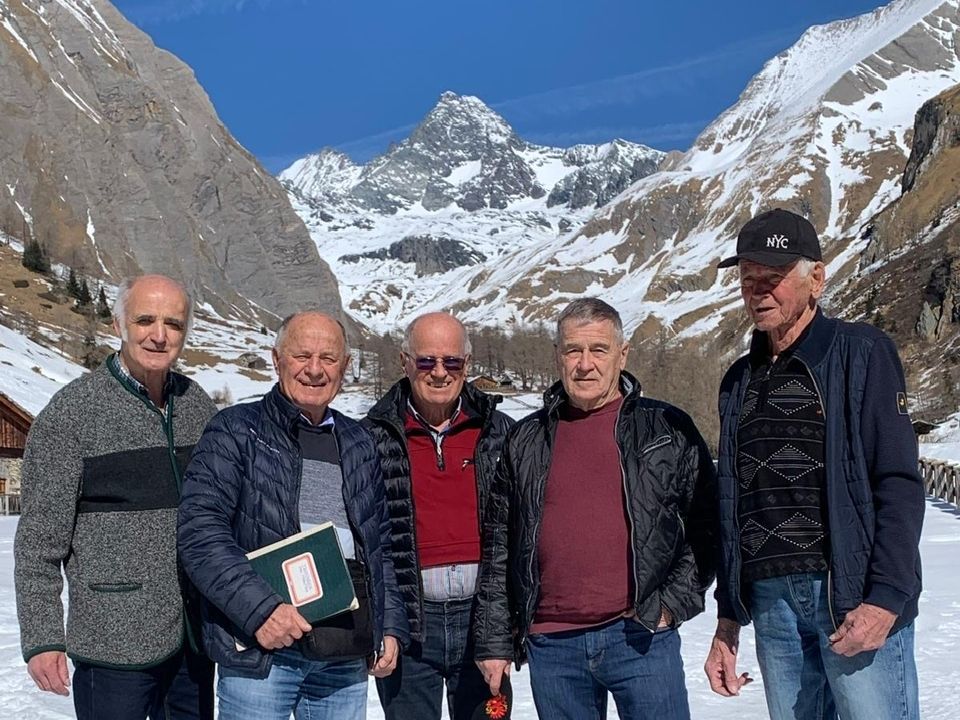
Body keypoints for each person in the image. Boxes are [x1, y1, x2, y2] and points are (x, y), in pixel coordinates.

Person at [704, 208, 924, 720]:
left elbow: (898, 481)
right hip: (771, 604)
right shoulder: (738, 380)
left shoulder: (860, 352)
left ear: (816, 279)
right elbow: (734, 504)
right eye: (748, 278)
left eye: (774, 277)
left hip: (850, 595)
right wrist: (728, 619)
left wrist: (886, 598)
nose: (759, 291)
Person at [473, 298, 717, 720]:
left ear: (623, 354)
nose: (585, 364)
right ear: (558, 355)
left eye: (599, 350)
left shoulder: (666, 429)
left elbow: (707, 526)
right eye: (573, 350)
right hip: (553, 645)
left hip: (640, 637)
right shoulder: (526, 439)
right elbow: (498, 547)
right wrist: (494, 640)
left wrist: (671, 604)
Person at [177, 310, 408, 720]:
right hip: (264, 651)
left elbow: (380, 547)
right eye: (302, 356)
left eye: (329, 358)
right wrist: (260, 611)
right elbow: (200, 534)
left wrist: (389, 625)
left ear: (345, 367)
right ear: (277, 359)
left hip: (343, 650)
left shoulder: (359, 442)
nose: (315, 370)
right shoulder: (235, 430)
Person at [14, 274, 217, 720]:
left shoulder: (197, 405)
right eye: (145, 320)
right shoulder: (71, 414)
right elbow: (38, 542)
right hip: (112, 644)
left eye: (173, 324)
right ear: (117, 324)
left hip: (193, 640)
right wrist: (43, 638)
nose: (159, 335)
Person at [366, 312, 513, 719]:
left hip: (481, 620)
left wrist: (503, 628)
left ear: (468, 363)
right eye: (426, 360)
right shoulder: (372, 437)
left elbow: (518, 535)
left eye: (452, 361)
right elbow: (367, 541)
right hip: (411, 624)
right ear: (404, 362)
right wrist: (382, 622)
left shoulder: (500, 432)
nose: (440, 372)